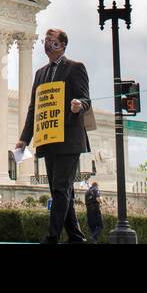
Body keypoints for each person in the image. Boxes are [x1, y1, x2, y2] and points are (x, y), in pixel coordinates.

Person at [15, 27, 92, 243]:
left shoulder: (75, 68)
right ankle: (76, 237)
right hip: (48, 139)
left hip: (68, 139)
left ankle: (52, 237)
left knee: (60, 189)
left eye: (52, 40)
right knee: (61, 190)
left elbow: (86, 99)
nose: (48, 43)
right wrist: (24, 138)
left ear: (62, 45)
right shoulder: (40, 73)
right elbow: (34, 109)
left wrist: (79, 105)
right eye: (46, 40)